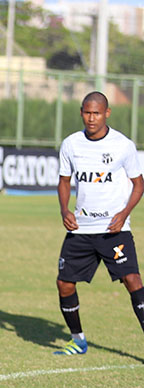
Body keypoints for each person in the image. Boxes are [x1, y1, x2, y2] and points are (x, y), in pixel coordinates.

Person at [54, 91, 144, 355]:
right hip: (81, 230)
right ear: (81, 112)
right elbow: (64, 181)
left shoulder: (122, 145)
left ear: (107, 113)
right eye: (86, 112)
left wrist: (124, 213)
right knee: (64, 283)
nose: (91, 118)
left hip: (113, 231)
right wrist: (63, 210)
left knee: (133, 280)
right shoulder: (71, 144)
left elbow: (139, 184)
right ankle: (78, 340)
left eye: (96, 113)